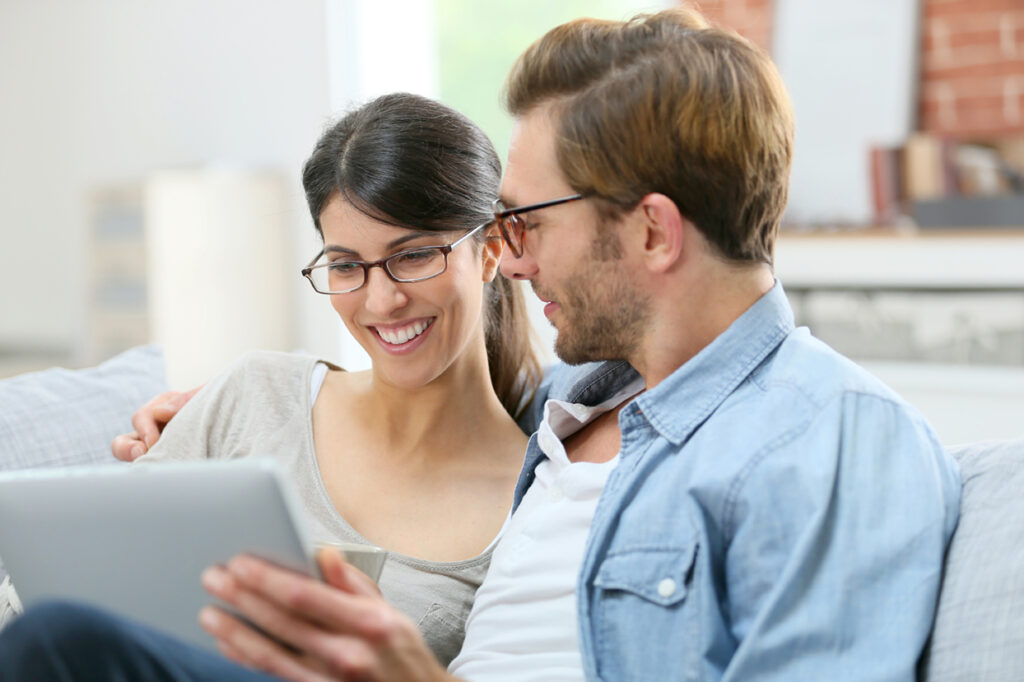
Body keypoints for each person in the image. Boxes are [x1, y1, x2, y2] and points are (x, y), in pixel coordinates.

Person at [0, 7, 960, 682]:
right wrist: (216, 420)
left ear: (655, 232)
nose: (513, 252)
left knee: (57, 646)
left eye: (527, 220)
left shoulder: (836, 441)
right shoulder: (571, 410)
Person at [0, 91, 541, 669]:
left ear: (489, 251)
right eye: (346, 265)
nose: (382, 300)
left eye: (412, 256)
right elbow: (45, 598)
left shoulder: (533, 504)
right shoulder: (256, 398)